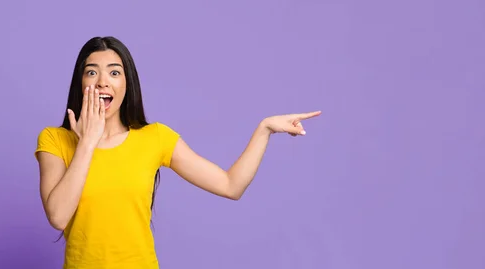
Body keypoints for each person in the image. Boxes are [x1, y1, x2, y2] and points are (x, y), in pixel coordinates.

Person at [34, 36, 321, 269]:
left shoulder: (155, 138)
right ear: (81, 83)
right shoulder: (55, 140)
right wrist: (87, 143)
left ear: (127, 83)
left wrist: (265, 129)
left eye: (114, 72)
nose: (102, 81)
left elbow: (231, 185)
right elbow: (58, 216)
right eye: (92, 71)